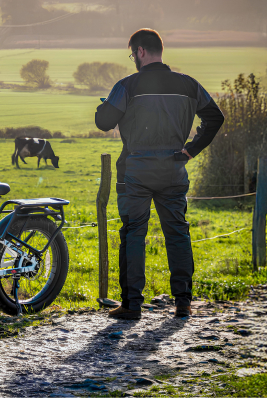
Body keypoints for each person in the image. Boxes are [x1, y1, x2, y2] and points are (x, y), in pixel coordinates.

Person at [95, 28, 224, 319]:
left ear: (140, 51)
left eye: (132, 54)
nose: (133, 59)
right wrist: (190, 150)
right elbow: (215, 117)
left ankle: (131, 305)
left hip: (135, 171)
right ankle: (183, 303)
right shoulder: (189, 85)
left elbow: (104, 122)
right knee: (178, 233)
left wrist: (105, 105)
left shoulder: (128, 85)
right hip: (174, 168)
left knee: (133, 233)